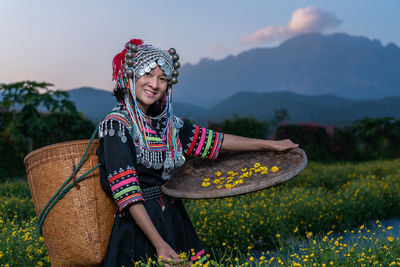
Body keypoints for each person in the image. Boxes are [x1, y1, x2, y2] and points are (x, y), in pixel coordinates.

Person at [96, 38, 298, 266]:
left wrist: (270, 145)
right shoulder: (117, 126)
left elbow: (216, 141)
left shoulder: (168, 125)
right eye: (147, 75)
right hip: (139, 228)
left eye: (162, 79)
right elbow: (128, 194)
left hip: (173, 220)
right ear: (130, 76)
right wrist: (159, 243)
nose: (154, 84)